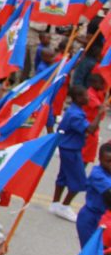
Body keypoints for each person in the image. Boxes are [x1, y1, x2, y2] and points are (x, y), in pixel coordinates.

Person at [51, 84, 104, 222]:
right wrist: (99, 113)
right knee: (80, 180)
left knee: (63, 176)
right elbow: (90, 130)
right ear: (77, 98)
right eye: (84, 96)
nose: (87, 98)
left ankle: (55, 203)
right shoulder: (75, 114)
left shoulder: (76, 111)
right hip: (71, 150)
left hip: (68, 147)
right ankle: (64, 206)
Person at [77, 142, 111, 247]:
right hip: (91, 219)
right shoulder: (97, 174)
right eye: (108, 161)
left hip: (105, 218)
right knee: (92, 254)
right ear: (100, 159)